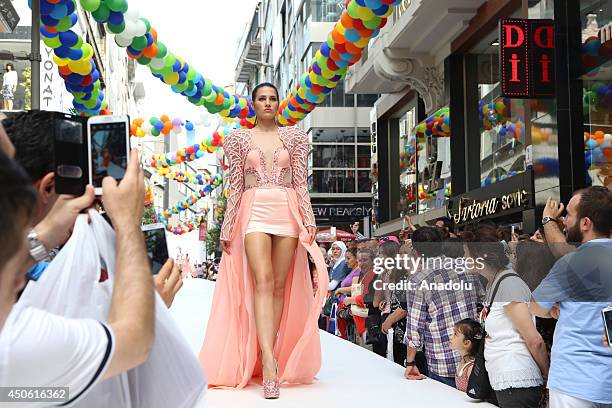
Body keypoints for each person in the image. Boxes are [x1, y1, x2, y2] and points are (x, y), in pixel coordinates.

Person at [199, 82, 328, 399]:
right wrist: (228, 226)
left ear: (278, 103)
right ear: (253, 104)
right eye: (262, 99)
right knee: (263, 280)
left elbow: (300, 183)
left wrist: (309, 221)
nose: (268, 103)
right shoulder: (239, 139)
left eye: (272, 99)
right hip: (253, 210)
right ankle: (269, 363)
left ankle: (267, 350)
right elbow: (234, 187)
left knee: (280, 285)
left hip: (287, 210)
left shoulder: (295, 137)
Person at [0, 149, 157, 404]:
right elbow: (135, 339)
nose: (20, 279)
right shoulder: (16, 342)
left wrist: (48, 230)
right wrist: (128, 222)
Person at [531, 187, 612, 408]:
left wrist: (553, 309)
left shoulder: (571, 264)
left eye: (569, 214)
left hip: (573, 381)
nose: (564, 220)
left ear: (585, 223)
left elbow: (535, 306)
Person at [464, 225, 549, 408]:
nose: (463, 259)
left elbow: (535, 340)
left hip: (517, 382)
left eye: (466, 254)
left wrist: (547, 376)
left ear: (480, 257)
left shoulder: (508, 284)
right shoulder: (495, 282)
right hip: (507, 381)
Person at [404, 227, 484, 388]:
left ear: (416, 250)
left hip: (442, 358)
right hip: (473, 353)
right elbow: (482, 302)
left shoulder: (418, 280)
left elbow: (415, 326)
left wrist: (410, 362)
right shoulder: (468, 267)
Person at [450, 318, 482, 393]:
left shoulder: (471, 368)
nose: (451, 337)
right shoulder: (462, 361)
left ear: (466, 343)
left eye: (455, 334)